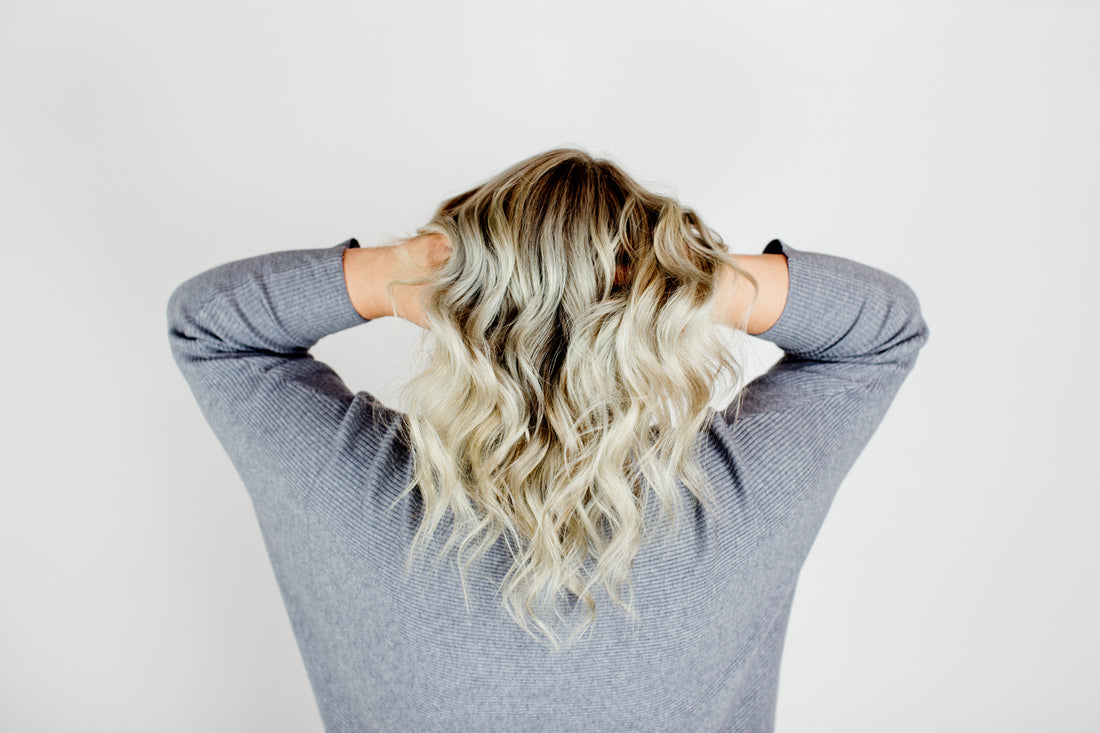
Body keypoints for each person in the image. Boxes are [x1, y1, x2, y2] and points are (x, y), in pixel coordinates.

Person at [167, 147, 929, 732]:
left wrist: (409, 269)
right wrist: (684, 276)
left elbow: (211, 326)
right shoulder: (731, 497)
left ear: (461, 311)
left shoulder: (359, 489)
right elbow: (882, 329)